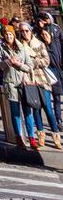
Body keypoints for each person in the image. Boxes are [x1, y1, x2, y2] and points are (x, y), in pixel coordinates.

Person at [19, 20, 62, 150]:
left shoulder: (39, 43)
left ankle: (56, 137)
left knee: (48, 109)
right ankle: (41, 136)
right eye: (22, 31)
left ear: (30, 31)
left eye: (26, 31)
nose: (24, 33)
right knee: (36, 108)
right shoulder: (20, 45)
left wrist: (32, 61)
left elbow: (46, 61)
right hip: (29, 80)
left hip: (42, 80)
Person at [0, 22, 39, 149]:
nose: (8, 36)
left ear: (14, 34)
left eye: (10, 34)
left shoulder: (22, 47)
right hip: (10, 83)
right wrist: (7, 62)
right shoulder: (1, 48)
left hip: (23, 83)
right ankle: (19, 138)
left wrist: (19, 65)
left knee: (28, 112)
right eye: (6, 34)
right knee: (15, 112)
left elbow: (30, 66)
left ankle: (32, 138)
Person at [39, 21, 63, 132]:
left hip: (61, 71)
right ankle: (59, 120)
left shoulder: (56, 43)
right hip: (52, 74)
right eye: (43, 35)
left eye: (46, 34)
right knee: (57, 98)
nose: (45, 36)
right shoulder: (42, 47)